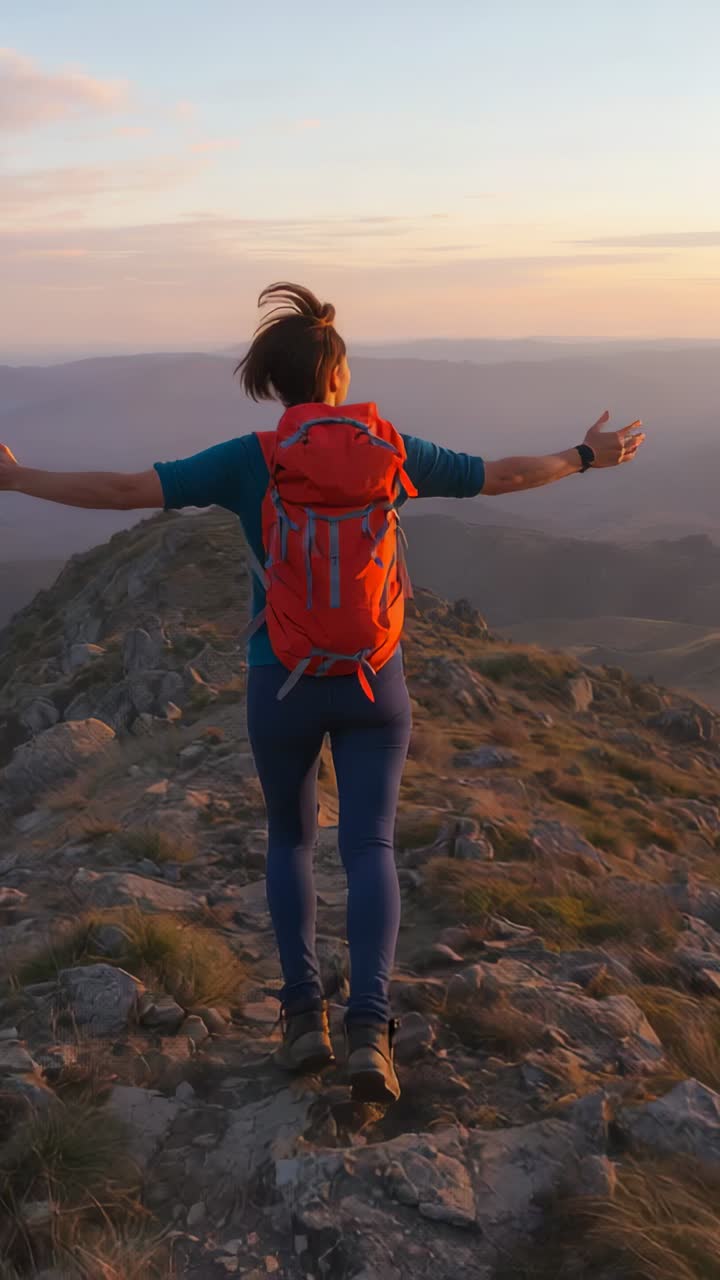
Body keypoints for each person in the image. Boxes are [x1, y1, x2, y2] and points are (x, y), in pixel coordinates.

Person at [0, 283, 645, 1103]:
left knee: (290, 842)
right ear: (338, 376)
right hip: (376, 685)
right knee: (370, 847)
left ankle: (305, 1018)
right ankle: (371, 1032)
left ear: (275, 386)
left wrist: (17, 482)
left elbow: (125, 490)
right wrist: (587, 456)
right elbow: (506, 476)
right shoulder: (393, 449)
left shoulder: (250, 460)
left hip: (283, 681)